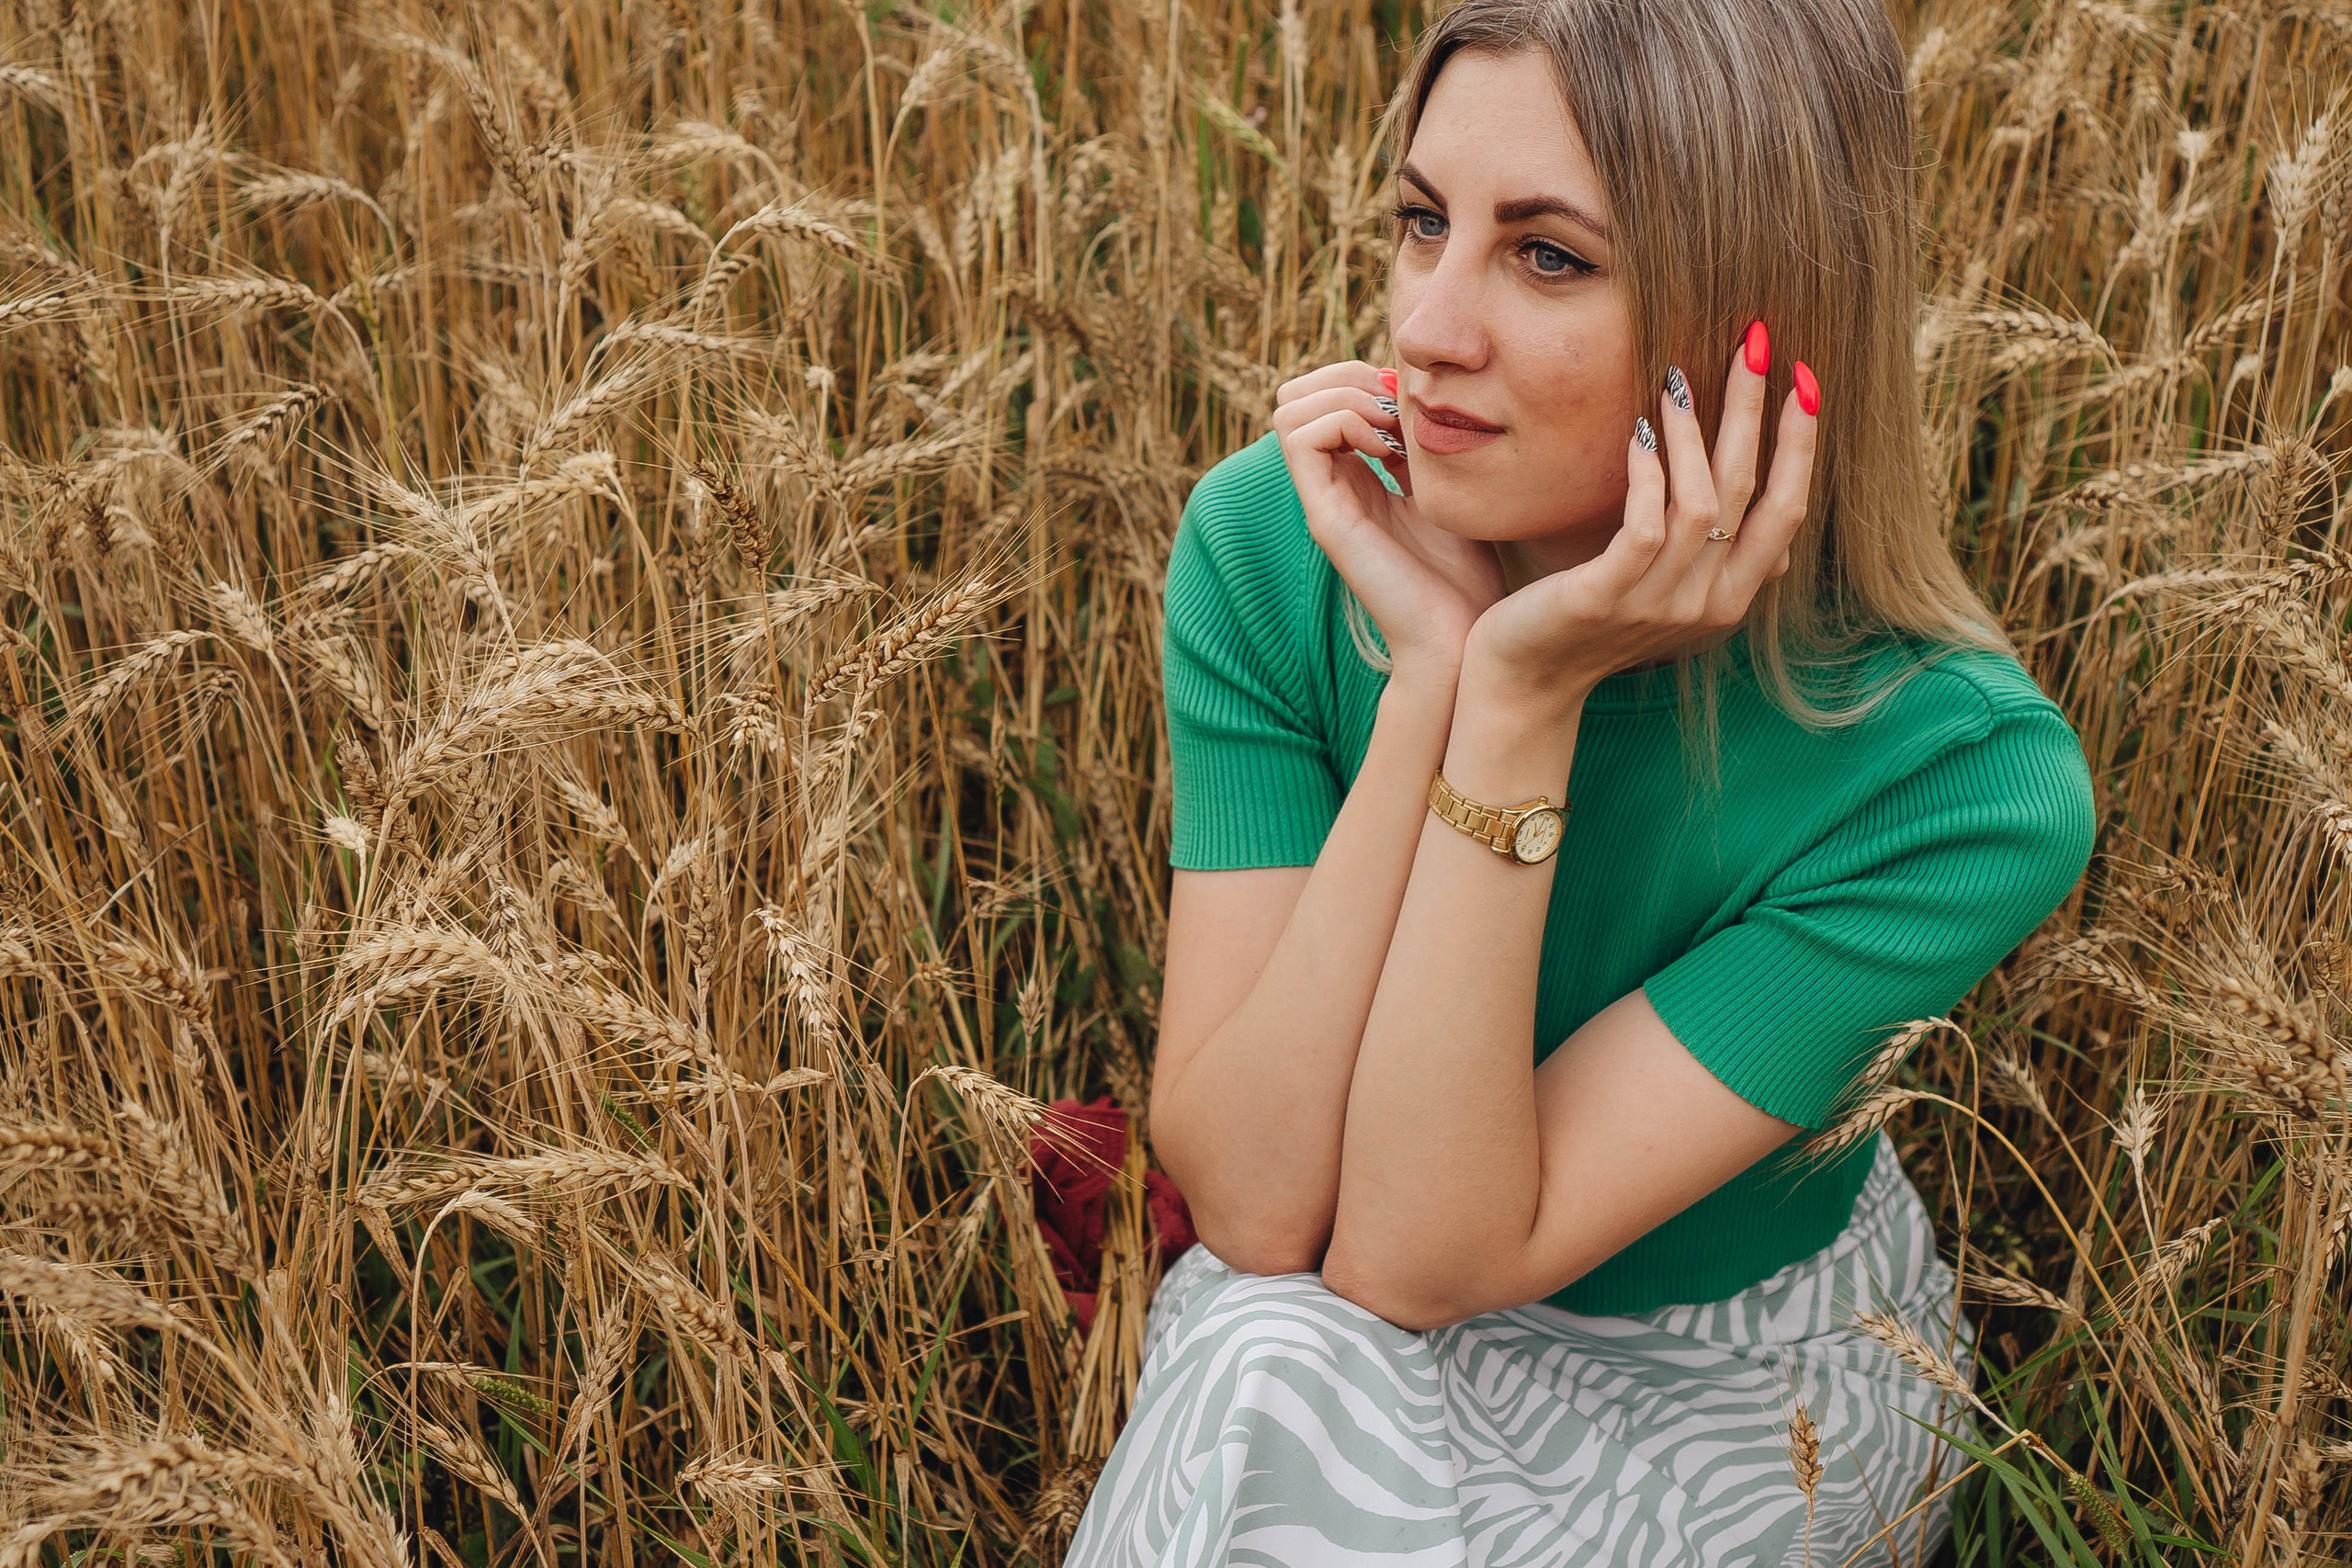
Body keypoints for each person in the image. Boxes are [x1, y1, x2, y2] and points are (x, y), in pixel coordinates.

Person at [1060, 0, 2098, 1563]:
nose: (1426, 326)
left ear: (1759, 319)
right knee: (1261, 1367)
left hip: (1738, 1377)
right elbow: (1267, 1214)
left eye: (1546, 255)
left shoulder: (1958, 781)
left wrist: (1525, 692)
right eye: (1424, 223)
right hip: (1313, 1303)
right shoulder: (1276, 547)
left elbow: (1419, 1253)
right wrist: (1430, 681)